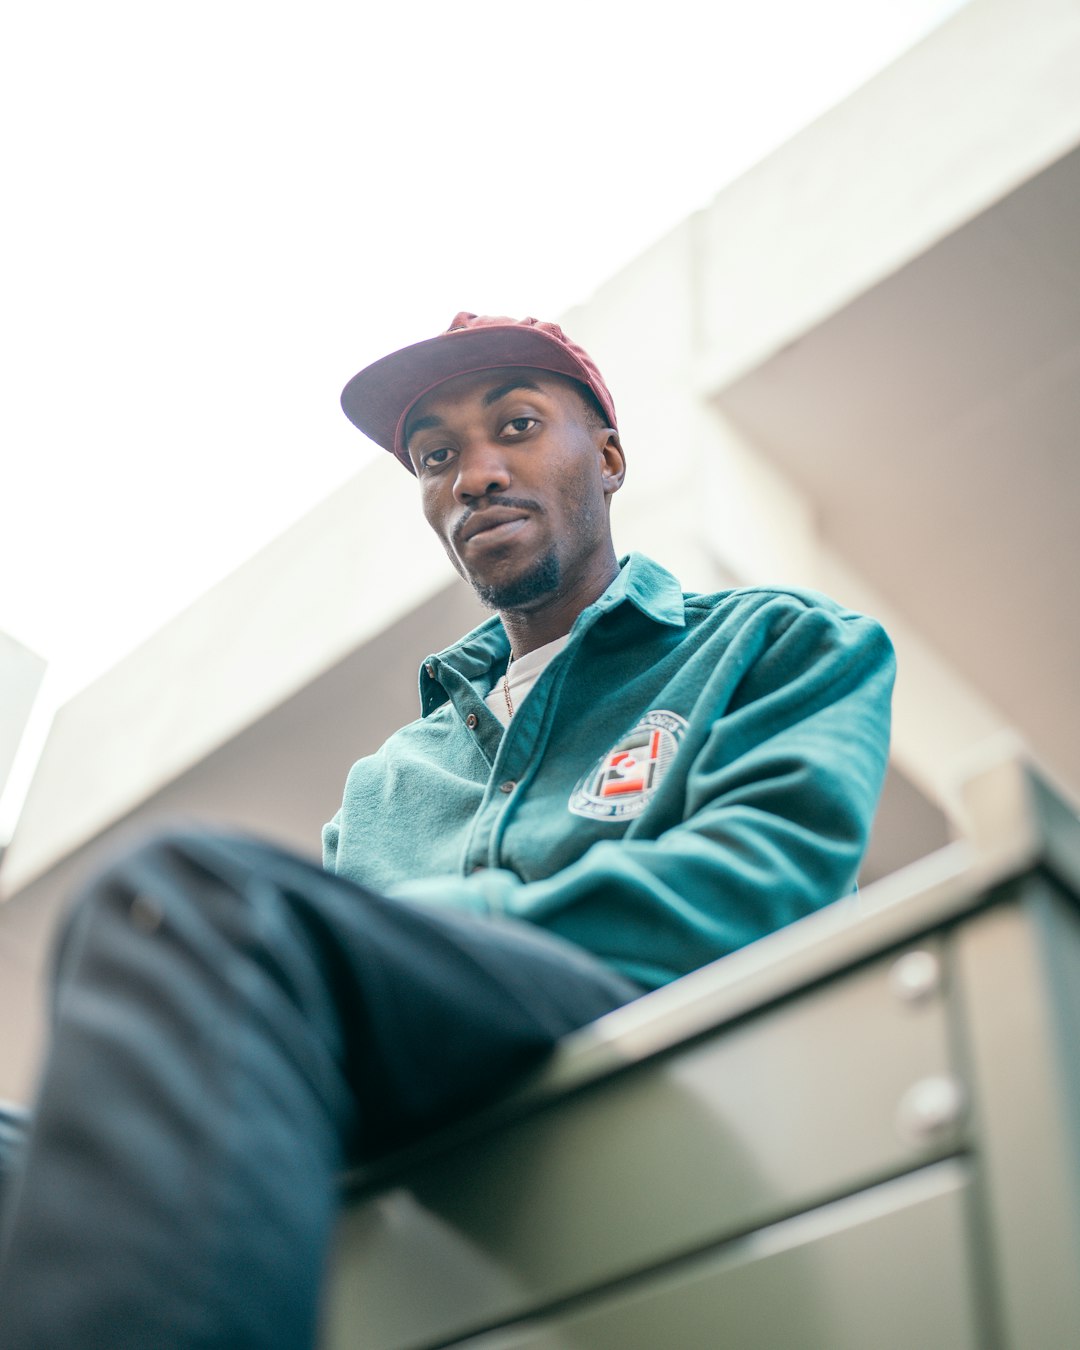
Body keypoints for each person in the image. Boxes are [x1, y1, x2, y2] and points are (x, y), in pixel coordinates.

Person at [0, 313, 895, 1347]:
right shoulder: (390, 782)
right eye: (436, 457)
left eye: (516, 425)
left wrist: (414, 928)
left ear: (607, 458)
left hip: (653, 1062)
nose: (473, 476)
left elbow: (761, 890)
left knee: (184, 900)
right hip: (398, 1151)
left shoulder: (777, 642)